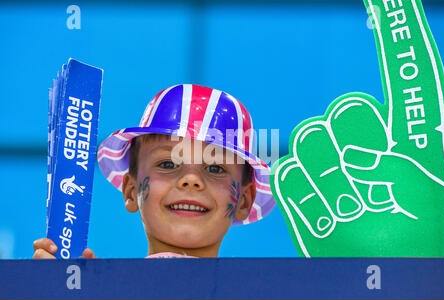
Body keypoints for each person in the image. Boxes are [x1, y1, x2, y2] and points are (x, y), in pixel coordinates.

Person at [33, 84, 276, 259]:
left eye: (215, 168)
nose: (191, 181)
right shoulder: (97, 289)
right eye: (168, 164)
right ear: (131, 190)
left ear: (244, 200)